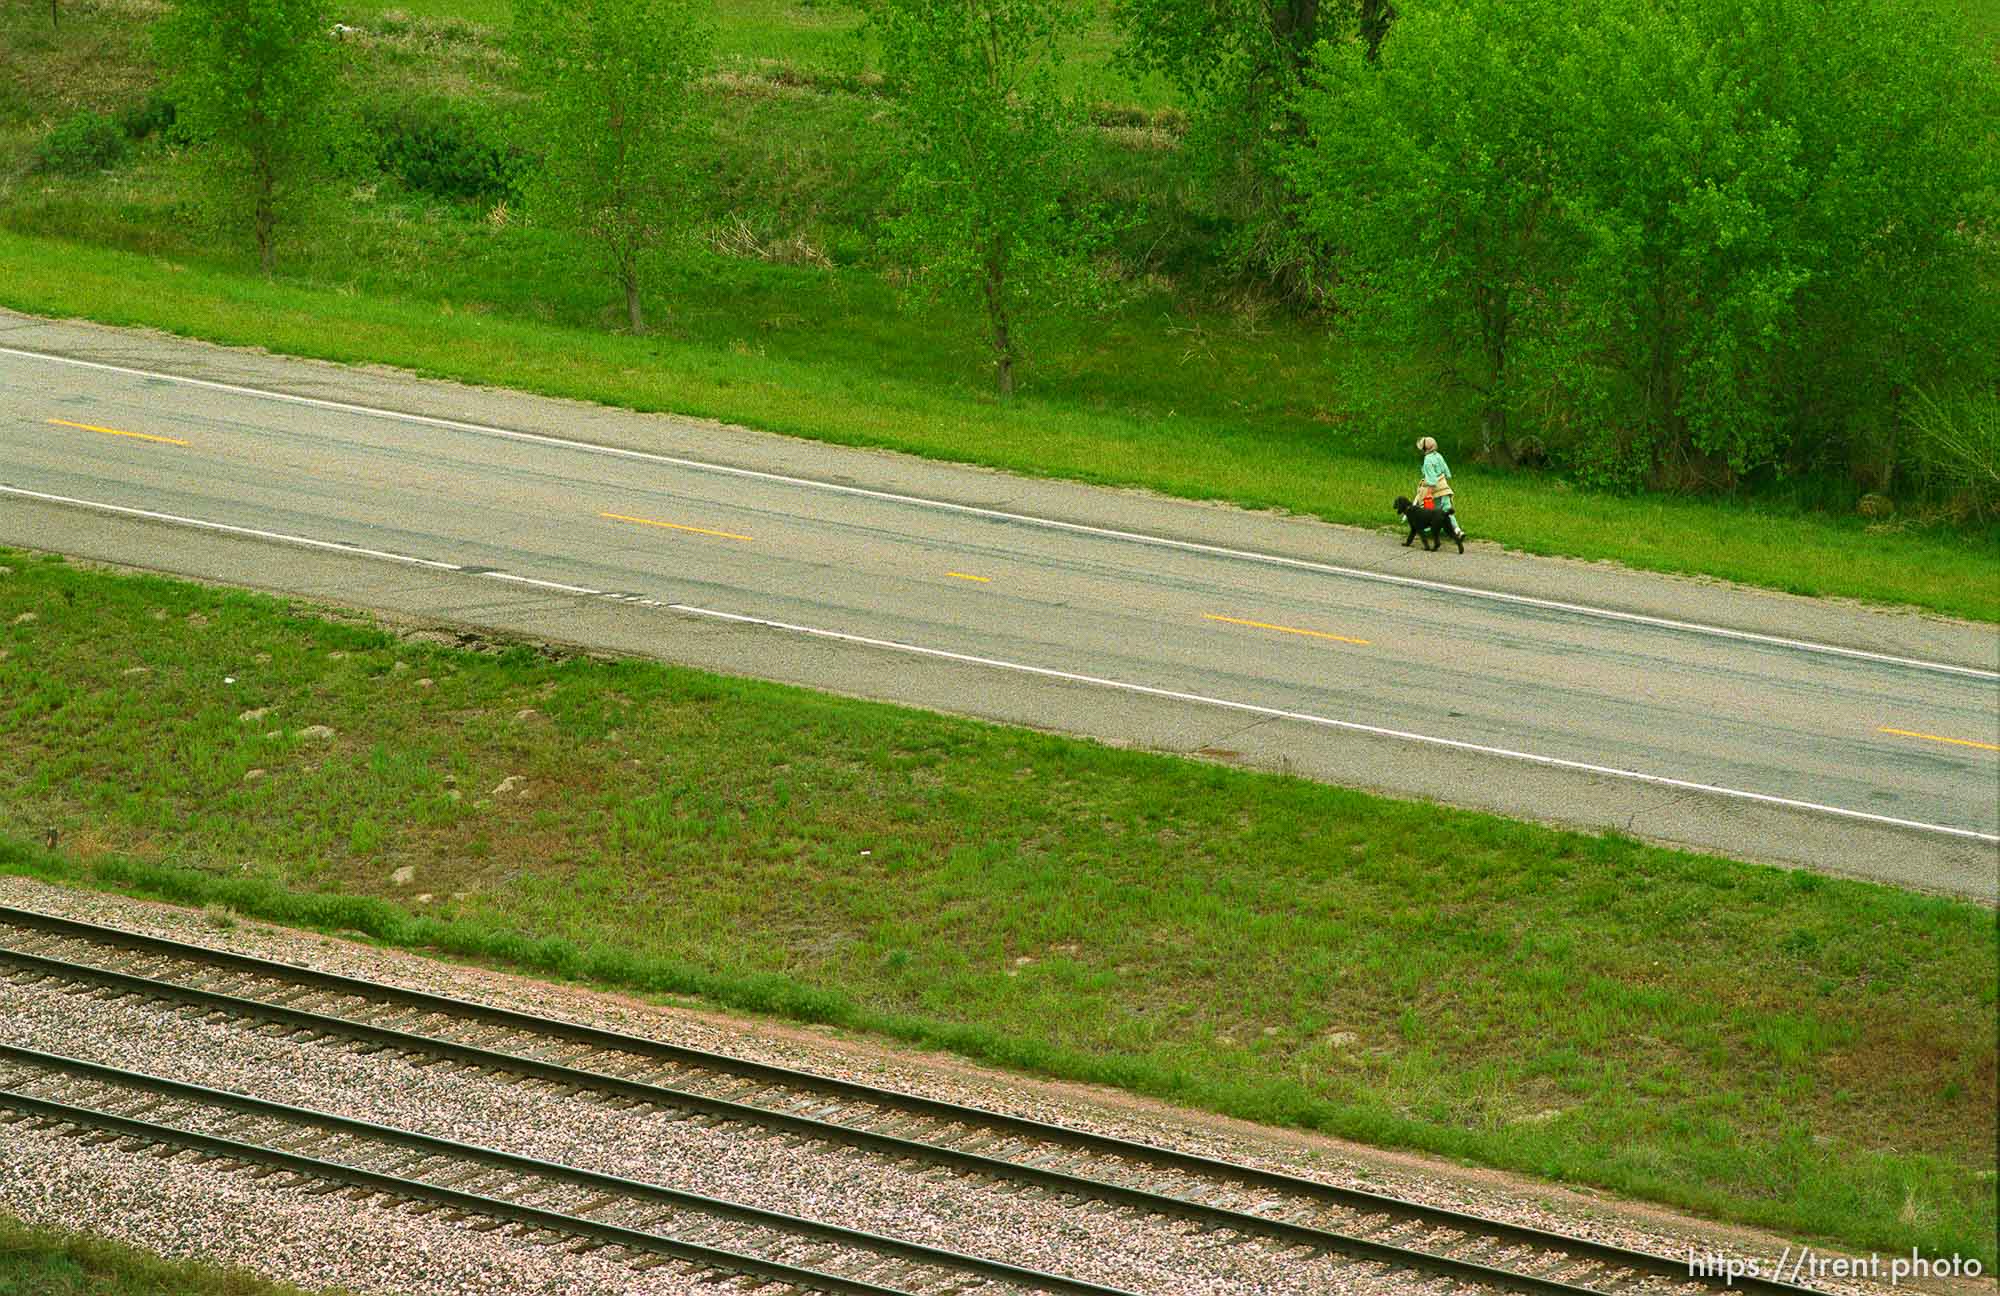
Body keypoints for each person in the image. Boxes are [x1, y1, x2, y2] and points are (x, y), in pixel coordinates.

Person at [1415, 436, 1464, 540]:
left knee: (1430, 510)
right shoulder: (1438, 455)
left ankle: (1425, 529)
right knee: (1447, 510)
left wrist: (1428, 493)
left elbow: (1432, 480)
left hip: (1435, 490)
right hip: (1444, 488)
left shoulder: (1427, 460)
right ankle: (1457, 531)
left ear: (1424, 449)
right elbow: (1446, 470)